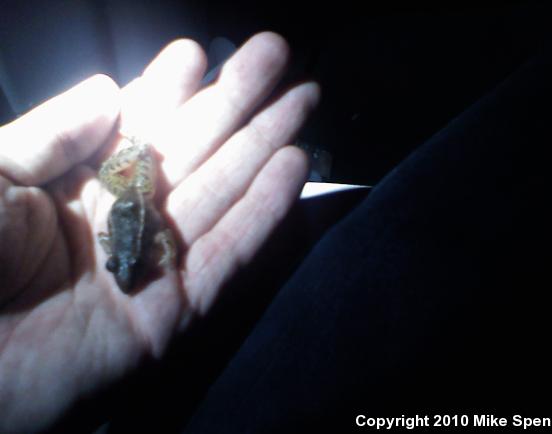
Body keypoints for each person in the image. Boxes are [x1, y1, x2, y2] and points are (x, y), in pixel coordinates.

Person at [1, 24, 552, 432]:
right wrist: (147, 244)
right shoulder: (123, 244)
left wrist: (145, 235)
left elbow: (131, 228)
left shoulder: (125, 217)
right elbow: (131, 237)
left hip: (130, 205)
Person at [0, 32, 320, 432]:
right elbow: (146, 239)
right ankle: (137, 151)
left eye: (117, 265)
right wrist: (160, 250)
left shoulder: (128, 249)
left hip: (135, 198)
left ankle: (138, 149)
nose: (120, 269)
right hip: (133, 202)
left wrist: (153, 246)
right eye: (122, 265)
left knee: (119, 170)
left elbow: (138, 236)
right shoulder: (127, 251)